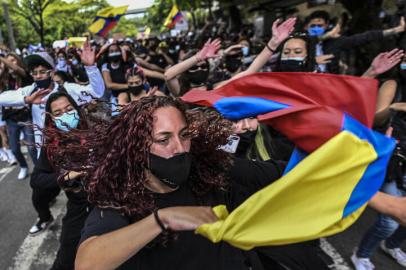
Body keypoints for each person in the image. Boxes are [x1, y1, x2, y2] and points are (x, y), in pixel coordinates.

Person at [351, 55, 406, 270]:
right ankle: (361, 255)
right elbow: (375, 119)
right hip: (392, 159)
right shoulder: (393, 84)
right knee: (390, 220)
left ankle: (391, 246)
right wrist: (395, 107)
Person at [0, 41, 105, 150]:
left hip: (76, 147)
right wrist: (26, 99)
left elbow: (97, 92)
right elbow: (1, 98)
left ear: (52, 73)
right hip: (45, 153)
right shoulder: (31, 91)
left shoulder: (67, 89)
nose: (38, 76)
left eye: (42, 72)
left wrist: (91, 67)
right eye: (34, 73)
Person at [30, 91, 92, 268]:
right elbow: (37, 180)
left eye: (69, 109)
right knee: (66, 256)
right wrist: (68, 175)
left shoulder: (96, 131)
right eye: (58, 113)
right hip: (79, 206)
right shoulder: (52, 146)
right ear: (52, 119)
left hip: (110, 202)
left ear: (77, 109)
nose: (65, 115)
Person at [165, 17, 297, 96]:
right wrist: (198, 57)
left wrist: (273, 44)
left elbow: (250, 71)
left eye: (203, 66)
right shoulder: (180, 91)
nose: (199, 69)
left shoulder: (216, 87)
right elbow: (168, 75)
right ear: (186, 72)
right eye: (194, 67)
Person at [304, 10, 406, 73]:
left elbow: (366, 37)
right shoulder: (299, 42)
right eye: (313, 26)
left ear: (326, 25)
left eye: (320, 25)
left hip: (329, 83)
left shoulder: (335, 41)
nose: (316, 28)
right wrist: (313, 61)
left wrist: (397, 30)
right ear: (306, 26)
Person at [0, 52, 36, 179]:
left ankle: (39, 171)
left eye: (13, 60)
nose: (10, 63)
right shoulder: (4, 78)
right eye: (8, 61)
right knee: (14, 148)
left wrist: (2, 58)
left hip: (25, 116)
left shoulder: (24, 74)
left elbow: (15, 68)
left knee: (32, 148)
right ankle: (24, 166)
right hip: (11, 119)